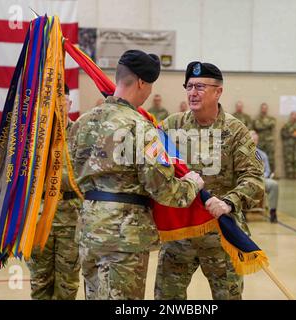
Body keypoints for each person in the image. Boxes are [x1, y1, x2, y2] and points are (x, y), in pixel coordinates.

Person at [69, 50, 204, 300]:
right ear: (142, 82)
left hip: (89, 229)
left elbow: (74, 172)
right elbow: (162, 187)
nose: (149, 92)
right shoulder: (140, 127)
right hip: (124, 237)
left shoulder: (82, 123)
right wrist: (191, 184)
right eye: (150, 86)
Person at [154, 61, 265, 300]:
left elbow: (254, 178)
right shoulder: (171, 127)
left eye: (200, 87)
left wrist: (229, 202)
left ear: (218, 91)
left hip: (220, 235)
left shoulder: (235, 131)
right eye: (189, 86)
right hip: (180, 235)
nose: (193, 92)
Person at [26, 84, 82, 300]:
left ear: (69, 103)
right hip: (38, 219)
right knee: (40, 283)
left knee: (67, 285)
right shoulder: (33, 138)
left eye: (63, 101)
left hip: (71, 219)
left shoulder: (80, 134)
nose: (58, 107)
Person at [250, 130, 278, 223]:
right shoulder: (240, 154)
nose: (254, 142)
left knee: (274, 184)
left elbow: (268, 171)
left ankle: (273, 212)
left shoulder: (262, 155)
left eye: (255, 140)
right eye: (252, 139)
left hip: (261, 179)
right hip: (245, 180)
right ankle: (242, 213)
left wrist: (261, 177)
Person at [253, 103, 276, 175]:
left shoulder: (271, 118)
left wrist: (262, 125)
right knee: (259, 157)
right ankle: (260, 173)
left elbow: (273, 124)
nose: (264, 109)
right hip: (260, 141)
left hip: (269, 142)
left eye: (265, 108)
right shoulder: (257, 118)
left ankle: (271, 173)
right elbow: (257, 126)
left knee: (271, 158)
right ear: (261, 109)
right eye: (263, 108)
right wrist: (267, 125)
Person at [281, 111, 296, 179]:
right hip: (288, 146)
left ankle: (295, 176)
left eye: (295, 115)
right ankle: (289, 176)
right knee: (289, 161)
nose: (294, 117)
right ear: (290, 116)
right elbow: (283, 134)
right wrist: (291, 134)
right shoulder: (286, 125)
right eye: (293, 115)